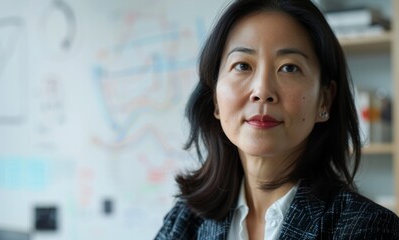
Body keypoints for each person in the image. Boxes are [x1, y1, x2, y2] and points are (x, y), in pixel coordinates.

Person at [155, 0, 399, 239]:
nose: (262, 90)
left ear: (324, 100)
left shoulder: (369, 228)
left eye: (289, 68)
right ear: (216, 99)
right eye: (242, 65)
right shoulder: (185, 221)